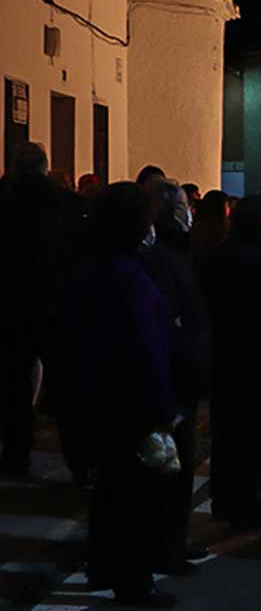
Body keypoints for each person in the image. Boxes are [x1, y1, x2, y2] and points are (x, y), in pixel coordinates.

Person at [76, 182, 180, 607]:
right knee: (135, 498)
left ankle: (107, 568)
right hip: (132, 403)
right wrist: (162, 409)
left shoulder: (95, 270)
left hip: (101, 397)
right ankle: (134, 581)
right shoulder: (130, 278)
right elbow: (145, 348)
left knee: (112, 493)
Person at [195, 195, 261, 531]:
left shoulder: (216, 255)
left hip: (223, 355)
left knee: (228, 433)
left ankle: (224, 500)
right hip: (257, 359)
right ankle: (249, 505)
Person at [0, 143, 88, 478]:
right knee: (67, 391)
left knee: (15, 390)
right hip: (61, 307)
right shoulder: (69, 204)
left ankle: (16, 456)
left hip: (12, 308)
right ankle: (78, 460)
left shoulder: (5, 203)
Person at [139, 179, 213, 575]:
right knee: (171, 471)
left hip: (176, 378)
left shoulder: (167, 256)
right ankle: (166, 546)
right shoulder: (163, 260)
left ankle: (169, 542)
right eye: (183, 205)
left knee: (173, 469)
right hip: (172, 382)